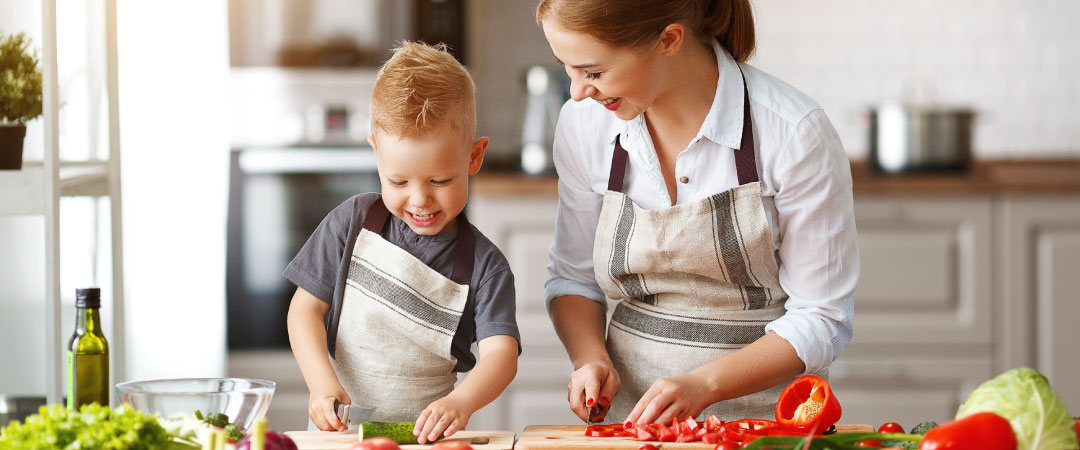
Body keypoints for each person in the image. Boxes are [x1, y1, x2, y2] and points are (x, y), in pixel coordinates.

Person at [537, 0, 859, 426]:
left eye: (593, 72)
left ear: (669, 39)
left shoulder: (793, 131)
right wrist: (589, 357)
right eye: (567, 67)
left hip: (766, 422)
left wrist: (704, 385)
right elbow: (573, 279)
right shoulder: (584, 123)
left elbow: (823, 318)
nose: (578, 91)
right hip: (630, 419)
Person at [285, 41, 520, 443]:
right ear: (376, 155)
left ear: (474, 157)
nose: (420, 199)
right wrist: (321, 384)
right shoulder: (352, 222)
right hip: (341, 437)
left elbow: (501, 356)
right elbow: (304, 311)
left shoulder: (486, 264)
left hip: (425, 440)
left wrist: (460, 403)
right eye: (398, 181)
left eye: (440, 181)